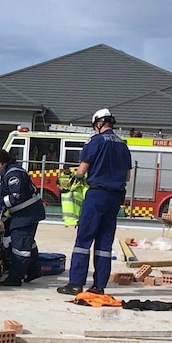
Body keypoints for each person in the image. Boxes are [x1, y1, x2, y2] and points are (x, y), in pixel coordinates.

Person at [58, 109, 132, 295]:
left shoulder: (95, 141)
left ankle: (76, 283)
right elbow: (128, 176)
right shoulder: (123, 145)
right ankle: (99, 286)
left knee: (84, 239)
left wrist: (72, 180)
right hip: (114, 198)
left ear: (98, 123)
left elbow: (82, 170)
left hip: (97, 195)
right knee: (104, 244)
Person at [0, 148, 46, 286]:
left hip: (27, 215)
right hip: (24, 214)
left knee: (20, 246)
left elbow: (16, 197)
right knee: (27, 242)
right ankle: (33, 270)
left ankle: (15, 277)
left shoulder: (13, 175)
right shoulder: (8, 172)